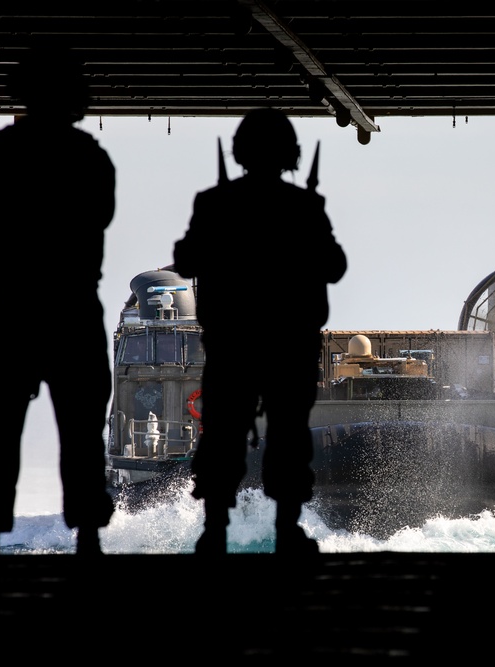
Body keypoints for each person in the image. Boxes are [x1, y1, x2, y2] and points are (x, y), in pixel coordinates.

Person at [173, 107, 347, 556]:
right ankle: (288, 530)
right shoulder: (305, 206)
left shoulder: (213, 204)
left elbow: (186, 260)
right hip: (289, 344)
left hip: (232, 344)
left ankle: (214, 532)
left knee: (223, 436)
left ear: (239, 152)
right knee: (289, 436)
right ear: (290, 155)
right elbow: (335, 266)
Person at [0, 47, 116, 556]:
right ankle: (89, 534)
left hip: (13, 307)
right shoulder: (91, 158)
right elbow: (98, 219)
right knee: (82, 429)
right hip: (73, 307)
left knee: (0, 426)